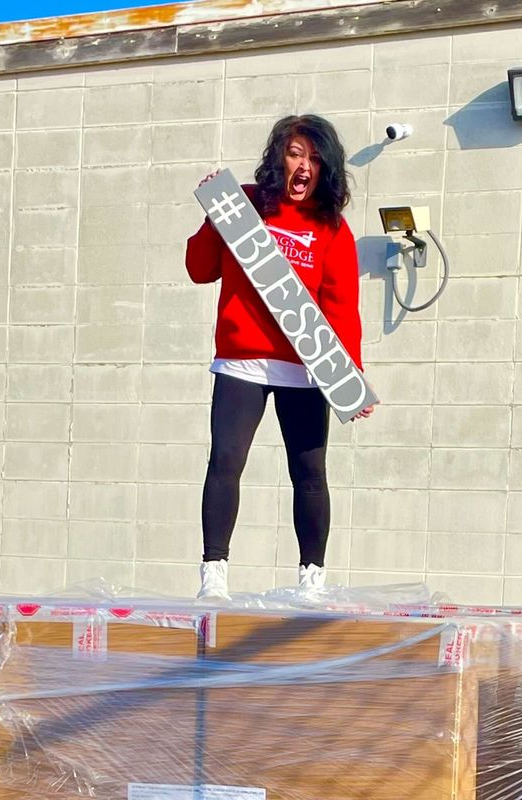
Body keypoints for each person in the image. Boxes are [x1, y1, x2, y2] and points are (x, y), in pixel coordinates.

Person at [185, 114, 373, 601]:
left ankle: (312, 579)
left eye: (313, 157)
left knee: (310, 474)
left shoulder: (330, 228)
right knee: (225, 461)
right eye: (295, 153)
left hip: (306, 368)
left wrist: (349, 374)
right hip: (242, 362)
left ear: (325, 168)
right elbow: (200, 269)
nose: (304, 165)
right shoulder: (244, 203)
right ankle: (214, 574)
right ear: (278, 157)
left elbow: (340, 307)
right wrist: (214, 215)